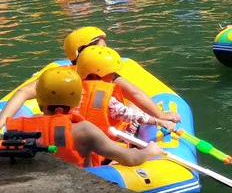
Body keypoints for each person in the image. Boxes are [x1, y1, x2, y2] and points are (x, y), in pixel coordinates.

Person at [0, 26, 180, 131]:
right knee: (130, 105)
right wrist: (160, 116)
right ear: (83, 51)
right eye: (101, 48)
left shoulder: (60, 77)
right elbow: (135, 94)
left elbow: (23, 92)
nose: (106, 51)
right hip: (107, 133)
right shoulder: (106, 74)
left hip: (73, 131)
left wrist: (2, 122)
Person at [1, 66, 161, 170]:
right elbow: (130, 158)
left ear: (39, 99)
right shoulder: (84, 130)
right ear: (78, 100)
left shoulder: (23, 126)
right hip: (78, 188)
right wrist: (149, 151)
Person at [75, 45, 175, 135]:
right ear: (96, 74)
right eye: (112, 74)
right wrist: (159, 121)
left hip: (85, 137)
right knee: (136, 114)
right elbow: (130, 115)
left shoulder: (74, 90)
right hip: (106, 142)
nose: (114, 77)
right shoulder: (105, 98)